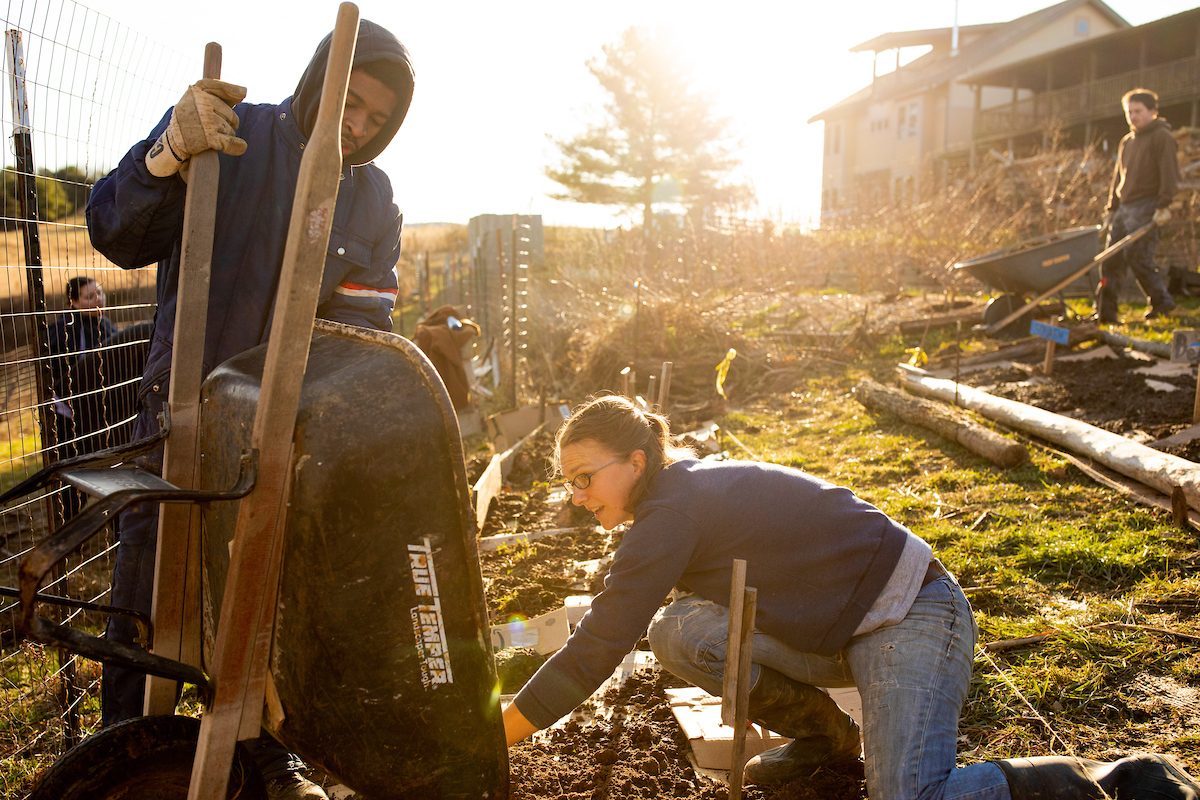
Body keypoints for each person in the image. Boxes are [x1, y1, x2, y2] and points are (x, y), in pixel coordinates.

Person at [503, 394, 1200, 800]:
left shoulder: (673, 511)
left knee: (910, 797)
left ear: (634, 462)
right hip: (836, 627)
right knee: (679, 630)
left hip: (913, 617)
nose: (577, 496)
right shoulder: (675, 502)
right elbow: (632, 598)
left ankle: (1117, 778)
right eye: (568, 483)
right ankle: (828, 739)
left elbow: (599, 641)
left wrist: (499, 732)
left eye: (584, 477)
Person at [85, 20, 414, 800]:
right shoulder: (228, 137)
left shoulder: (370, 199)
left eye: (377, 119)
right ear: (318, 80)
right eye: (351, 103)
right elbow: (114, 231)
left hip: (281, 447)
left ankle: (255, 770)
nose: (359, 127)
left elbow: (363, 329)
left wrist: (323, 420)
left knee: (265, 632)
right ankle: (126, 772)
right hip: (179, 425)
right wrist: (168, 152)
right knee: (146, 622)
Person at [1095, 88, 1181, 323]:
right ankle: (1105, 311)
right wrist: (1111, 209)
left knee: (1138, 257)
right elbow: (1117, 178)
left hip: (1148, 204)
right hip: (1124, 208)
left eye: (1138, 111)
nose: (1133, 116)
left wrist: (1164, 205)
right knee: (1109, 259)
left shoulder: (1161, 137)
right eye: (1129, 112)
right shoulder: (1127, 142)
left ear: (1153, 111)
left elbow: (1170, 173)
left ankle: (1161, 302)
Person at [45, 276, 117, 518]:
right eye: (89, 296)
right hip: (68, 414)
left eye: (100, 293)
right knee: (73, 472)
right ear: (73, 302)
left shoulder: (106, 325)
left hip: (101, 411)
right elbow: (53, 375)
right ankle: (68, 525)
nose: (98, 300)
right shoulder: (60, 332)